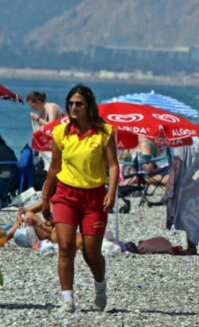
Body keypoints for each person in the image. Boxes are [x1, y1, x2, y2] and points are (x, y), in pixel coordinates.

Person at [40, 84, 118, 313]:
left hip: (95, 198)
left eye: (79, 104)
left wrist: (111, 192)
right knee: (65, 246)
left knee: (91, 253)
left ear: (89, 106)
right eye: (70, 103)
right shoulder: (60, 132)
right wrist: (46, 197)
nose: (73, 107)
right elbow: (53, 168)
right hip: (65, 195)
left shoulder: (105, 132)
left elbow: (113, 166)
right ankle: (68, 300)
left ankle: (100, 289)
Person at [26, 91, 64, 170]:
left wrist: (37, 118)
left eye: (32, 106)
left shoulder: (51, 107)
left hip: (61, 141)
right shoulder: (43, 112)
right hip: (54, 143)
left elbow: (51, 125)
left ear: (38, 102)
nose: (33, 108)